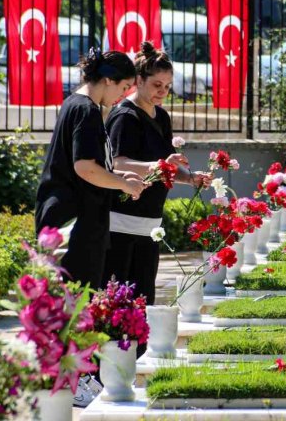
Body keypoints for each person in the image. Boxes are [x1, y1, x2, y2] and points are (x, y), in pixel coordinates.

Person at [103, 42, 211, 305]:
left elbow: (167, 165)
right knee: (116, 300)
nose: (162, 91)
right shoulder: (124, 116)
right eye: (156, 85)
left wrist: (189, 177)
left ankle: (138, 348)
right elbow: (116, 163)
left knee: (143, 300)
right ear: (139, 80)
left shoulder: (161, 117)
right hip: (120, 222)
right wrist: (158, 164)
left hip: (149, 224)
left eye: (167, 86)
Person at [35, 49, 147, 291]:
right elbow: (85, 167)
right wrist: (123, 184)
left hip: (68, 220)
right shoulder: (86, 111)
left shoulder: (75, 104)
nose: (122, 96)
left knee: (66, 308)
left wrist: (117, 176)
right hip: (75, 225)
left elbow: (92, 165)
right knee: (75, 307)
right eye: (123, 87)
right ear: (108, 80)